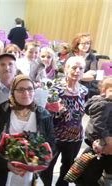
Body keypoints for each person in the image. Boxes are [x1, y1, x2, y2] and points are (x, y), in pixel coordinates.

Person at [0, 74, 55, 186]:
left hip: (32, 175)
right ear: (13, 91)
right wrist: (5, 164)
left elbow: (51, 142)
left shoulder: (43, 114)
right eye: (21, 89)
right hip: (4, 174)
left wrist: (39, 164)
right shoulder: (0, 112)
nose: (26, 93)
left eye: (30, 89)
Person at [41, 56, 88, 186]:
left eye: (81, 68)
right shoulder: (54, 88)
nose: (77, 71)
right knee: (47, 167)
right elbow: (45, 113)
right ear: (66, 69)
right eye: (74, 67)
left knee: (67, 168)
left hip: (75, 137)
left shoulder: (84, 90)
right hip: (55, 136)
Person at [78, 77, 112, 186]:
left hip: (101, 143)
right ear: (103, 91)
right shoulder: (104, 104)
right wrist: (107, 139)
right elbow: (97, 125)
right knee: (89, 173)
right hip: (101, 143)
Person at [68, 33, 99, 99]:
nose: (86, 46)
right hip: (70, 83)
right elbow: (67, 71)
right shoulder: (71, 55)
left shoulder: (92, 57)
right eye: (83, 43)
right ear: (77, 44)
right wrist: (84, 75)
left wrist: (77, 76)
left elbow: (94, 75)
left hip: (85, 85)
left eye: (88, 43)